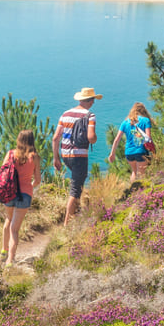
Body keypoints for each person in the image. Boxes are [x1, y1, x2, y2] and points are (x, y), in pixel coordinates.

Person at [0, 128, 41, 266]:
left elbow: (2, 173)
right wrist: (30, 186)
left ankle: (4, 250)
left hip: (10, 193)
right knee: (15, 229)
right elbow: (38, 180)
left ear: (19, 140)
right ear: (32, 140)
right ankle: (10, 260)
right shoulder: (34, 157)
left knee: (8, 220)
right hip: (25, 195)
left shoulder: (10, 154)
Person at [57, 87, 102, 224]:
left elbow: (55, 138)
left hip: (65, 155)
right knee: (76, 189)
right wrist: (94, 139)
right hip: (79, 156)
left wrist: (55, 158)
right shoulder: (90, 115)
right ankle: (67, 223)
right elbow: (91, 137)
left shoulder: (65, 114)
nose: (93, 103)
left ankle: (75, 213)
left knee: (77, 184)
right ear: (90, 100)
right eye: (93, 100)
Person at [109, 102, 156, 190]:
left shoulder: (125, 122)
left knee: (134, 172)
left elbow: (116, 139)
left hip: (129, 152)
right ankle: (140, 194)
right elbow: (148, 138)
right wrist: (153, 150)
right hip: (141, 151)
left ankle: (132, 191)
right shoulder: (145, 120)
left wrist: (112, 153)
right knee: (141, 174)